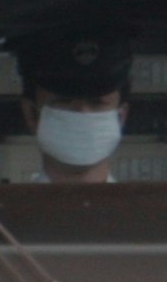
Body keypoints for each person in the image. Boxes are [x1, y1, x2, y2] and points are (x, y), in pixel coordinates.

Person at [14, 29, 133, 184]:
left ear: (121, 117)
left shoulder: (148, 209)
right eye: (63, 100)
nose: (81, 112)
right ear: (31, 114)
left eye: (96, 102)